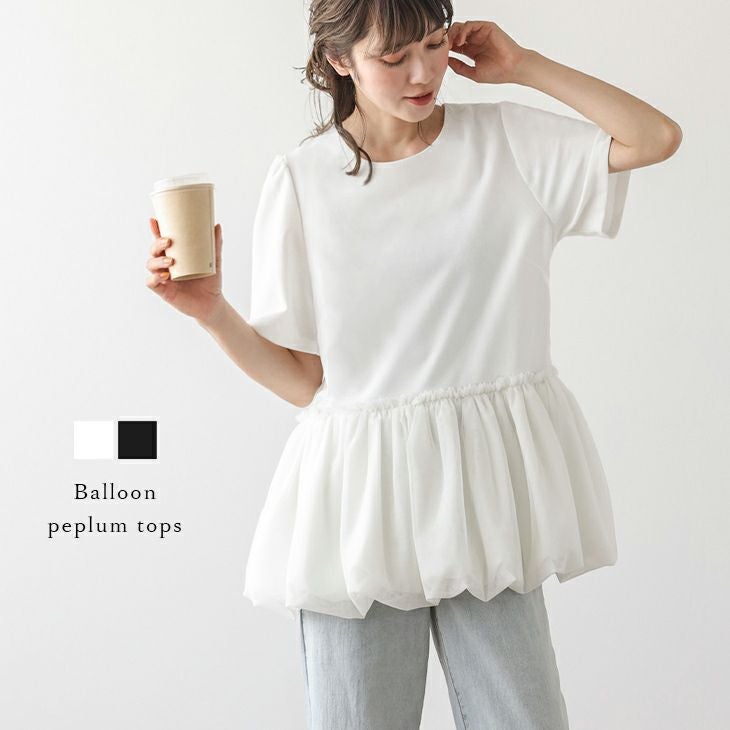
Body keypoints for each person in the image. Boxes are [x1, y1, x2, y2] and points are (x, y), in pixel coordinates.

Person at [146, 2, 682, 727]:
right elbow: (306, 382)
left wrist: (523, 67)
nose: (423, 73)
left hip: (485, 499)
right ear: (340, 60)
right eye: (393, 57)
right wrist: (211, 310)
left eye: (432, 44)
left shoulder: (509, 143)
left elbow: (655, 137)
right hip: (358, 508)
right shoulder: (304, 180)